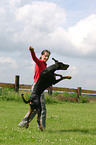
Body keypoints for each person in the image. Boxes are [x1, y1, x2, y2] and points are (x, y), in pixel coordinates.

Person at [18, 46, 51, 130]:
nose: (46, 58)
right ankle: (42, 127)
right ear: (41, 55)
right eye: (45, 56)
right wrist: (32, 51)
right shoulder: (39, 62)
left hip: (39, 87)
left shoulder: (44, 64)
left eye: (48, 56)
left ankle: (22, 124)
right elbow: (34, 58)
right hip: (37, 87)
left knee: (35, 109)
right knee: (42, 109)